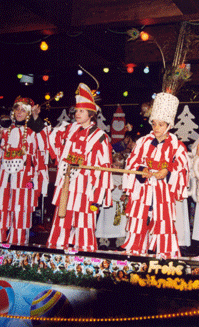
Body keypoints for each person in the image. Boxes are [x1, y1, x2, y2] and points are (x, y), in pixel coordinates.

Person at [0, 96, 48, 260]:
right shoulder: (5, 131)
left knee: (20, 216)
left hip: (24, 181)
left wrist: (35, 117)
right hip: (4, 179)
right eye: (17, 109)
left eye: (23, 110)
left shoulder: (34, 133)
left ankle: (15, 255)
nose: (19, 112)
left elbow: (44, 146)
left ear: (28, 113)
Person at [121, 92, 190, 259]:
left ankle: (165, 253)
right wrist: (141, 169)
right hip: (143, 190)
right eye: (154, 124)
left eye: (160, 124)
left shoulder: (177, 146)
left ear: (168, 125)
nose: (156, 128)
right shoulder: (143, 142)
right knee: (138, 219)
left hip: (163, 193)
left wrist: (167, 171)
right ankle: (134, 251)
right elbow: (131, 162)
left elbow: (183, 167)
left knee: (163, 222)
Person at [46, 83, 113, 252]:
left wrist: (98, 197)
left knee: (84, 222)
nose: (77, 114)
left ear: (91, 114)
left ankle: (84, 253)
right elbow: (52, 141)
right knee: (62, 218)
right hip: (67, 184)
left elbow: (104, 168)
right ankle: (56, 249)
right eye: (76, 111)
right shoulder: (70, 130)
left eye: (81, 111)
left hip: (86, 189)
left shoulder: (100, 137)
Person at [95, 152, 127, 250]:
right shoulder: (107, 174)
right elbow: (101, 189)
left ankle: (120, 242)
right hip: (109, 204)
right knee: (105, 223)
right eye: (116, 165)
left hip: (119, 204)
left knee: (122, 224)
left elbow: (128, 190)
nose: (117, 168)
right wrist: (109, 189)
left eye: (120, 166)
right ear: (112, 164)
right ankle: (104, 241)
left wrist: (125, 193)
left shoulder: (124, 176)